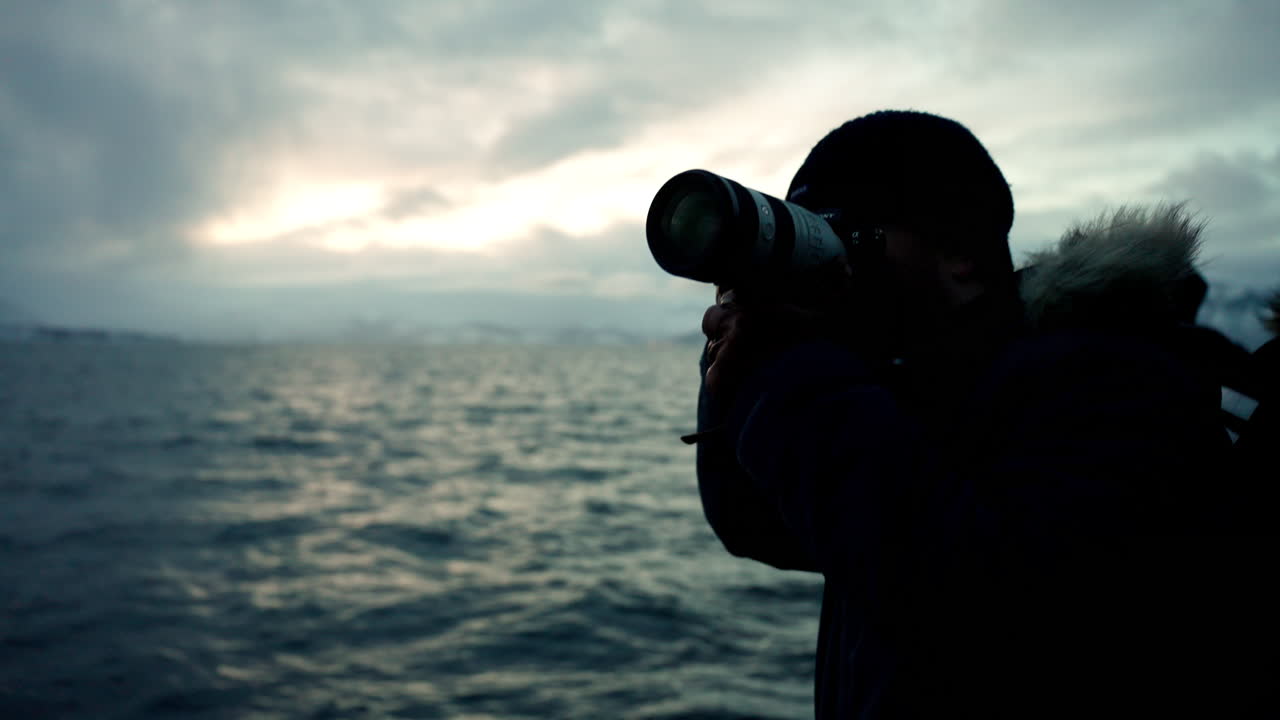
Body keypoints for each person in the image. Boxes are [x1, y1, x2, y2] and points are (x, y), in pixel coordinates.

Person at [692, 110, 1277, 718]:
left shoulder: (1115, 382)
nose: (827, 271)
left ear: (960, 253)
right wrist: (739, 360)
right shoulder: (913, 390)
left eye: (849, 237)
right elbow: (757, 524)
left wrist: (793, 374)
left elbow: (984, 600)